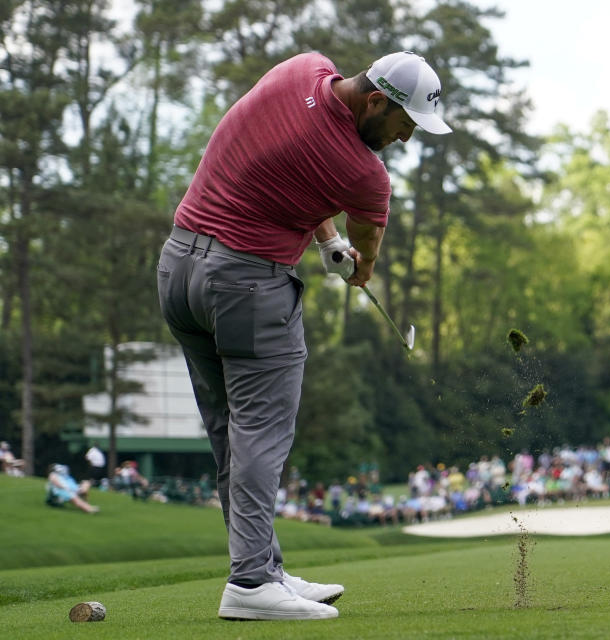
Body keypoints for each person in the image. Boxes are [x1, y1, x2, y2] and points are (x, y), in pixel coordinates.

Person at [156, 50, 451, 622]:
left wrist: (323, 238)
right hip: (245, 286)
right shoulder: (367, 177)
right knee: (260, 435)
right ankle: (248, 584)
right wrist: (349, 258)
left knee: (229, 436)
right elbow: (363, 264)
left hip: (178, 270)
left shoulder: (301, 68)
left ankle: (262, 568)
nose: (405, 139)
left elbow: (286, 156)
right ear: (376, 102)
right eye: (404, 125)